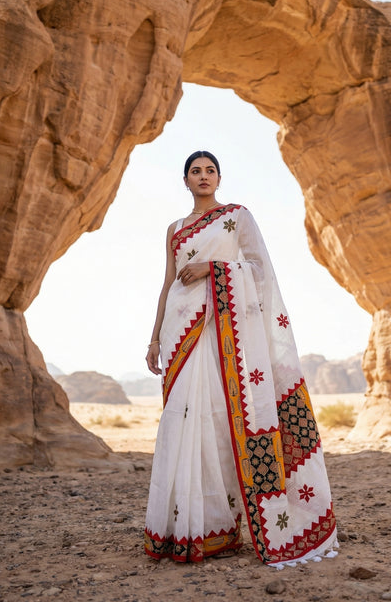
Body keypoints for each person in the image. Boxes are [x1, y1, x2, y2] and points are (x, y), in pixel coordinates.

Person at [144, 150, 338, 567]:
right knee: (181, 421)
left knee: (215, 421)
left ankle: (218, 527)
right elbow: (165, 285)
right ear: (185, 180)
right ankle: (182, 529)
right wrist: (153, 339)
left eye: (210, 170)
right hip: (179, 335)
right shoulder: (174, 229)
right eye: (195, 171)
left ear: (218, 177)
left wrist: (213, 269)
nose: (203, 176)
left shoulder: (236, 217)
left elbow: (258, 268)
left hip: (221, 335)